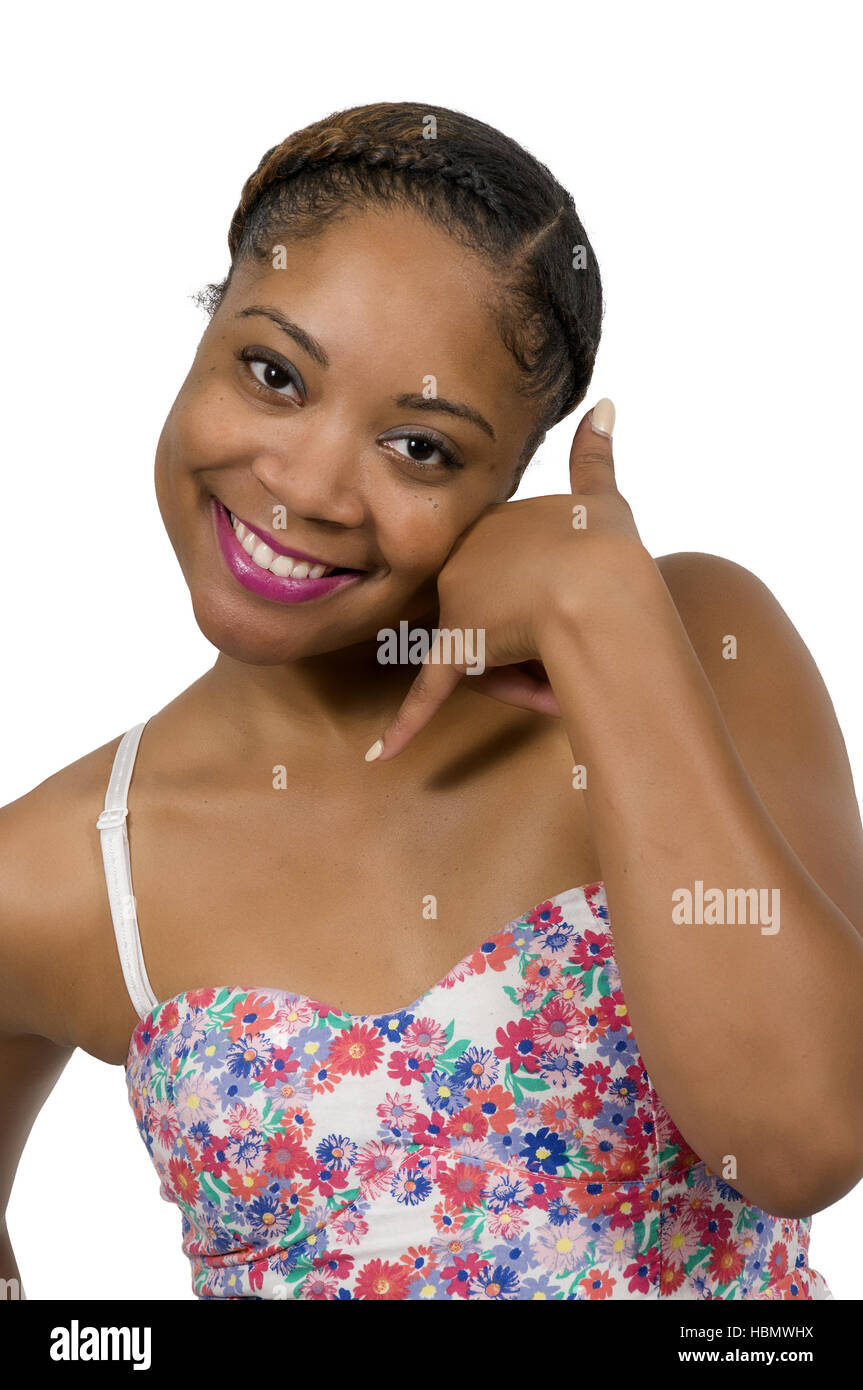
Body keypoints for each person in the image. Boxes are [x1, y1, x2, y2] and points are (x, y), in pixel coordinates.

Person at [2, 101, 862, 1301]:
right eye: (271, 372)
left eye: (419, 447)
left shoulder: (697, 644)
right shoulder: (49, 874)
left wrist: (601, 618)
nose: (303, 486)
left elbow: (796, 1140)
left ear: (511, 479)